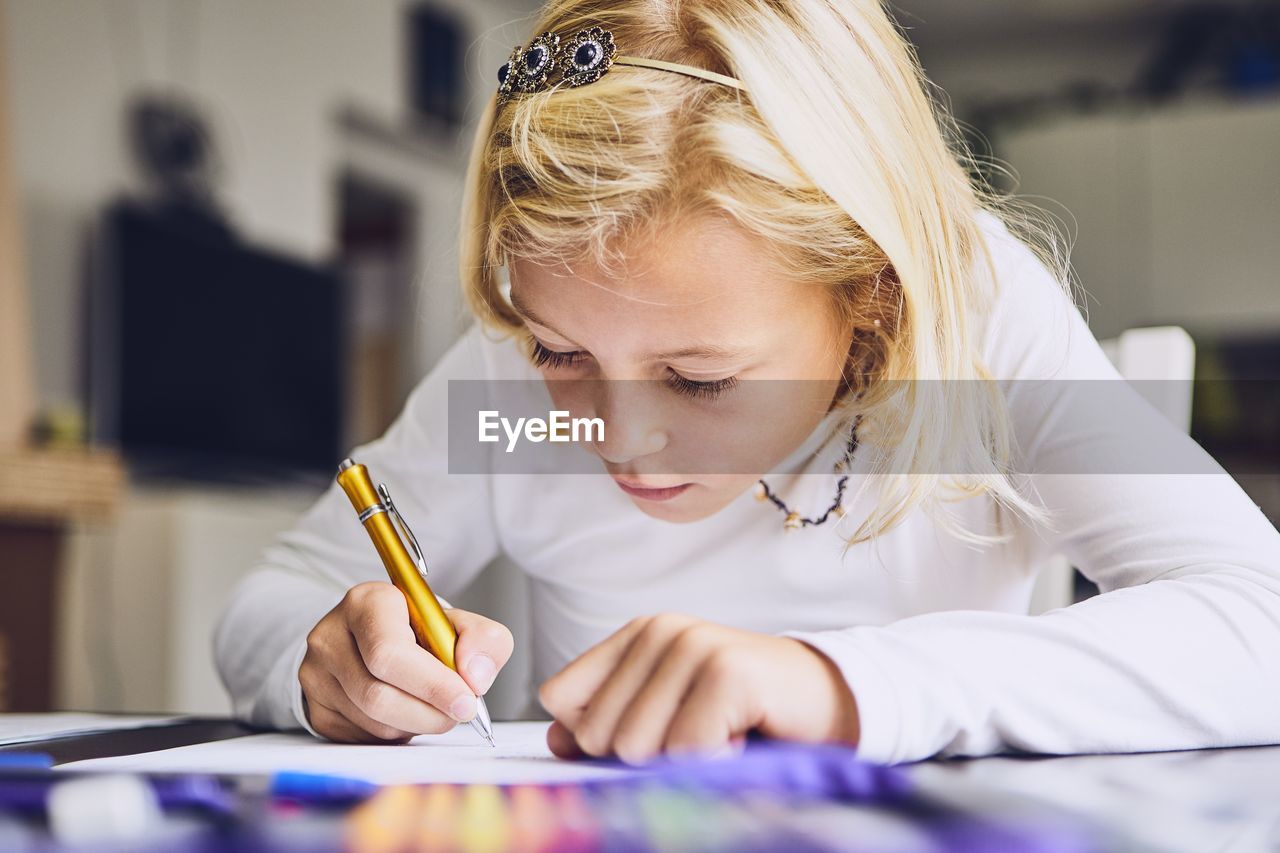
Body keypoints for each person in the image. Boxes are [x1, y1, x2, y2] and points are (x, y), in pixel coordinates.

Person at [214, 0, 1280, 765]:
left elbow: (1258, 623)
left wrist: (840, 685)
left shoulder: (972, 320)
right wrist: (328, 667)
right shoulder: (510, 381)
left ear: (868, 292)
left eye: (700, 379)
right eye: (561, 354)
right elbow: (273, 596)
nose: (616, 439)